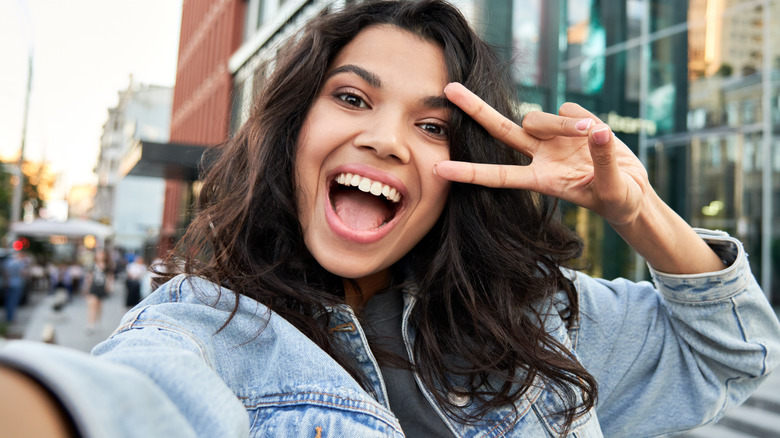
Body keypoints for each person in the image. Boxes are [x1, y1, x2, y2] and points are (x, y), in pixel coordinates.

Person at [0, 1, 779, 436]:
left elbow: (735, 353)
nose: (384, 138)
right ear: (293, 130)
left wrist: (635, 209)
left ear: (458, 174)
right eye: (352, 98)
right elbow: (132, 402)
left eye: (433, 125)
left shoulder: (537, 319)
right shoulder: (199, 329)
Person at [84, 250, 111, 334]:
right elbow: (89, 277)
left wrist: (109, 286)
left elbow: (109, 277)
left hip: (102, 287)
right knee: (92, 306)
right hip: (93, 287)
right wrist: (87, 288)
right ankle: (90, 324)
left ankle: (98, 321)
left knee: (99, 306)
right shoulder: (92, 265)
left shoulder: (107, 266)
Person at [2, 251, 27, 323]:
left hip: (9, 283)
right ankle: (11, 318)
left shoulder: (8, 262)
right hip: (17, 284)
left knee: (8, 301)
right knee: (13, 302)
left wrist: (8, 280)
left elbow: (5, 273)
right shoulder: (19, 263)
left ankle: (7, 317)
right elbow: (22, 273)